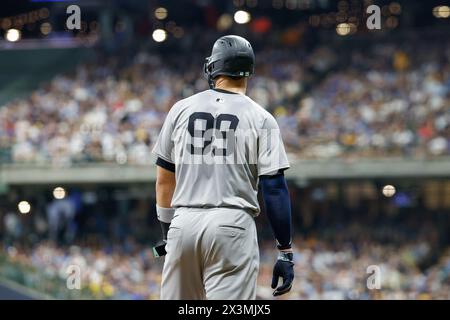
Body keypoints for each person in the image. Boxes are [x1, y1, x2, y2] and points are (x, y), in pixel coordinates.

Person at [152, 35, 294, 300]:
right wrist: (285, 251)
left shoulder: (180, 109)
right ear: (248, 72)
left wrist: (167, 231)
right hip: (232, 225)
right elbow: (274, 188)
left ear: (213, 67)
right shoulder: (261, 117)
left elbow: (164, 181)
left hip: (183, 223)